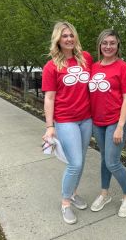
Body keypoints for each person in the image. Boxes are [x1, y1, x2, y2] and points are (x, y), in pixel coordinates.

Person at [42, 21, 93, 224]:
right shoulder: (51, 66)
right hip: (65, 121)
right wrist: (49, 126)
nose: (69, 39)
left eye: (72, 35)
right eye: (65, 36)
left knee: (81, 161)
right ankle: (65, 203)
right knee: (75, 163)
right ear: (58, 40)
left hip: (86, 119)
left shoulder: (86, 58)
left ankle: (73, 193)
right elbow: (49, 98)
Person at [88, 29, 126, 217]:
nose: (108, 46)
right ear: (100, 45)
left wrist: (120, 126)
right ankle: (104, 193)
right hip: (97, 122)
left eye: (112, 43)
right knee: (104, 159)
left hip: (116, 122)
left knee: (112, 161)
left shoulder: (124, 68)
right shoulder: (93, 66)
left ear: (118, 46)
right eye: (105, 42)